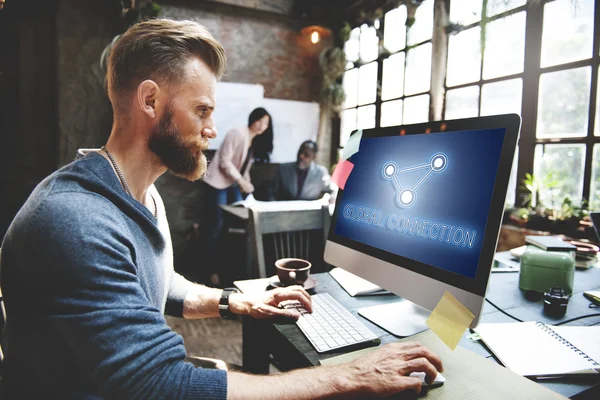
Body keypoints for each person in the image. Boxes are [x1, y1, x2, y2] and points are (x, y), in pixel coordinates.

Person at [0, 19, 443, 399]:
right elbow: (165, 384)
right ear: (150, 101)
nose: (212, 129)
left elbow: (159, 284)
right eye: (202, 110)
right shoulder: (75, 221)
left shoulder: (140, 194)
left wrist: (239, 303)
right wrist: (349, 376)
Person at [202, 107, 272, 284]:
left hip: (232, 184)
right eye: (260, 121)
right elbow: (225, 161)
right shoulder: (237, 133)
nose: (262, 126)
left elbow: (244, 167)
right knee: (215, 227)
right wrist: (241, 182)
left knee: (235, 226)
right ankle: (210, 271)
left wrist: (247, 184)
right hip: (218, 183)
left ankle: (229, 269)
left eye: (266, 123)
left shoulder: (252, 141)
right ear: (253, 119)